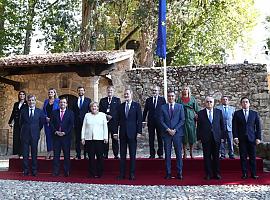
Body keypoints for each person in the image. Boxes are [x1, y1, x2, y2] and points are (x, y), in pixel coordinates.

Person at [232, 97, 261, 179]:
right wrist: (235, 137)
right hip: (242, 139)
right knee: (243, 157)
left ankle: (253, 173)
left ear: (249, 104)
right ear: (241, 104)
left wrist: (258, 138)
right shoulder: (237, 114)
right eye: (243, 102)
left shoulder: (254, 113)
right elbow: (235, 127)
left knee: (253, 157)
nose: (245, 103)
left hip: (252, 138)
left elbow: (258, 127)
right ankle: (244, 173)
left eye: (246, 102)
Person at [116, 88, 142, 181]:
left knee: (132, 155)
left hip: (133, 133)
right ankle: (122, 174)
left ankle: (132, 174)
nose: (126, 95)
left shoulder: (137, 106)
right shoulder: (120, 106)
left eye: (127, 94)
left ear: (131, 95)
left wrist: (139, 132)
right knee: (122, 155)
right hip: (123, 134)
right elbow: (117, 120)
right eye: (125, 94)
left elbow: (139, 120)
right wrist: (116, 132)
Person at [197, 96, 225, 180]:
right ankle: (208, 174)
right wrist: (199, 138)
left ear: (213, 103)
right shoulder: (200, 113)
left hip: (216, 137)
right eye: (207, 102)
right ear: (204, 103)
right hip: (206, 138)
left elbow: (222, 125)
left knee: (216, 156)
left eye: (210, 102)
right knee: (207, 156)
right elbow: (199, 127)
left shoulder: (218, 112)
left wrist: (223, 137)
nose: (209, 103)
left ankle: (217, 173)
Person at [160, 90, 185, 180]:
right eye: (169, 96)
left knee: (178, 154)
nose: (171, 98)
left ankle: (179, 173)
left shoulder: (180, 107)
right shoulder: (163, 107)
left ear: (175, 97)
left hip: (177, 133)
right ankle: (168, 173)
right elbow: (161, 120)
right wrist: (168, 129)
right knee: (167, 154)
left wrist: (175, 130)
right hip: (167, 134)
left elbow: (182, 120)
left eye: (172, 96)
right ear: (167, 97)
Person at [81, 102, 108, 178]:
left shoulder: (102, 115)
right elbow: (84, 127)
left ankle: (100, 173)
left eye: (95, 106)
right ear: (90, 108)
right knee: (91, 157)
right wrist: (82, 137)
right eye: (92, 106)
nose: (94, 108)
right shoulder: (87, 115)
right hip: (89, 139)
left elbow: (105, 127)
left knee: (100, 157)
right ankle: (91, 173)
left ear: (98, 107)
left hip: (99, 139)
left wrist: (106, 137)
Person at [20, 94, 44, 176]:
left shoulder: (39, 111)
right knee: (25, 153)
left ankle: (34, 170)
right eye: (29, 100)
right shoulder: (23, 111)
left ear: (35, 101)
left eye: (33, 100)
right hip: (25, 135)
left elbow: (41, 124)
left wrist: (36, 130)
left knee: (34, 153)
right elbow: (20, 123)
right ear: (27, 101)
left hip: (35, 134)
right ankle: (25, 170)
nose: (31, 102)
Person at [50, 97, 74, 177]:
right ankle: (55, 171)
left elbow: (71, 125)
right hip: (56, 137)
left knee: (66, 155)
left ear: (66, 104)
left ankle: (66, 171)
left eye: (64, 102)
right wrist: (55, 131)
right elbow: (51, 124)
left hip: (66, 137)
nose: (62, 104)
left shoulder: (70, 113)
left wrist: (65, 132)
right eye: (61, 102)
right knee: (56, 155)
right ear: (59, 104)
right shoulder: (54, 112)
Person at [142, 85, 166, 159]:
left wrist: (165, 121)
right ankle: (152, 154)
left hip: (160, 122)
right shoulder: (148, 100)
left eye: (156, 90)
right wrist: (143, 121)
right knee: (151, 138)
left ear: (158, 91)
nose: (154, 92)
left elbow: (164, 111)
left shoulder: (162, 100)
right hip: (151, 122)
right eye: (153, 90)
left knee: (160, 138)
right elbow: (145, 111)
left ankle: (160, 153)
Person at [177, 86, 199, 159]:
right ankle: (185, 153)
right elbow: (176, 110)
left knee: (191, 135)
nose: (185, 90)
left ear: (188, 91)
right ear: (182, 91)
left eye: (186, 89)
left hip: (191, 119)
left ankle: (191, 152)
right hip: (182, 119)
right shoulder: (179, 100)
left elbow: (197, 110)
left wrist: (197, 116)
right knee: (184, 136)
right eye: (184, 89)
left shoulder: (192, 99)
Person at [99, 85, 121, 159]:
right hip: (105, 122)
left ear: (113, 91)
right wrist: (106, 115)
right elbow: (100, 111)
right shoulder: (102, 100)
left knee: (115, 139)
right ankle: (105, 154)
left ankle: (116, 154)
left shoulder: (117, 100)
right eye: (108, 90)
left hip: (114, 123)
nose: (110, 92)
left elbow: (119, 111)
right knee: (105, 139)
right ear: (107, 91)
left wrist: (112, 116)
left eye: (111, 90)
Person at [72, 86, 91, 159]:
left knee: (86, 138)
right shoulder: (74, 101)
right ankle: (78, 154)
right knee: (77, 139)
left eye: (82, 90)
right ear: (77, 92)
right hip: (77, 123)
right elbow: (73, 112)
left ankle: (86, 154)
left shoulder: (88, 100)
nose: (80, 92)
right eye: (79, 90)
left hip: (86, 122)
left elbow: (90, 111)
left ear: (84, 91)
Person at [8, 91, 28, 157]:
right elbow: (13, 113)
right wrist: (10, 121)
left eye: (23, 94)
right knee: (16, 138)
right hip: (16, 123)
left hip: (23, 123)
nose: (21, 95)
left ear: (25, 96)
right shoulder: (16, 104)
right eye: (20, 94)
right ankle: (16, 153)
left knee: (22, 138)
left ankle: (22, 153)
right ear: (19, 96)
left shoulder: (27, 104)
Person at [42, 88, 60, 159]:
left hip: (55, 122)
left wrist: (52, 119)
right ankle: (49, 151)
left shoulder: (58, 101)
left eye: (51, 92)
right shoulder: (46, 101)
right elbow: (43, 111)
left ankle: (54, 153)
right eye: (49, 92)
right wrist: (46, 117)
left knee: (54, 137)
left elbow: (59, 111)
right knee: (48, 137)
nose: (50, 93)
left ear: (54, 93)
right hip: (47, 122)